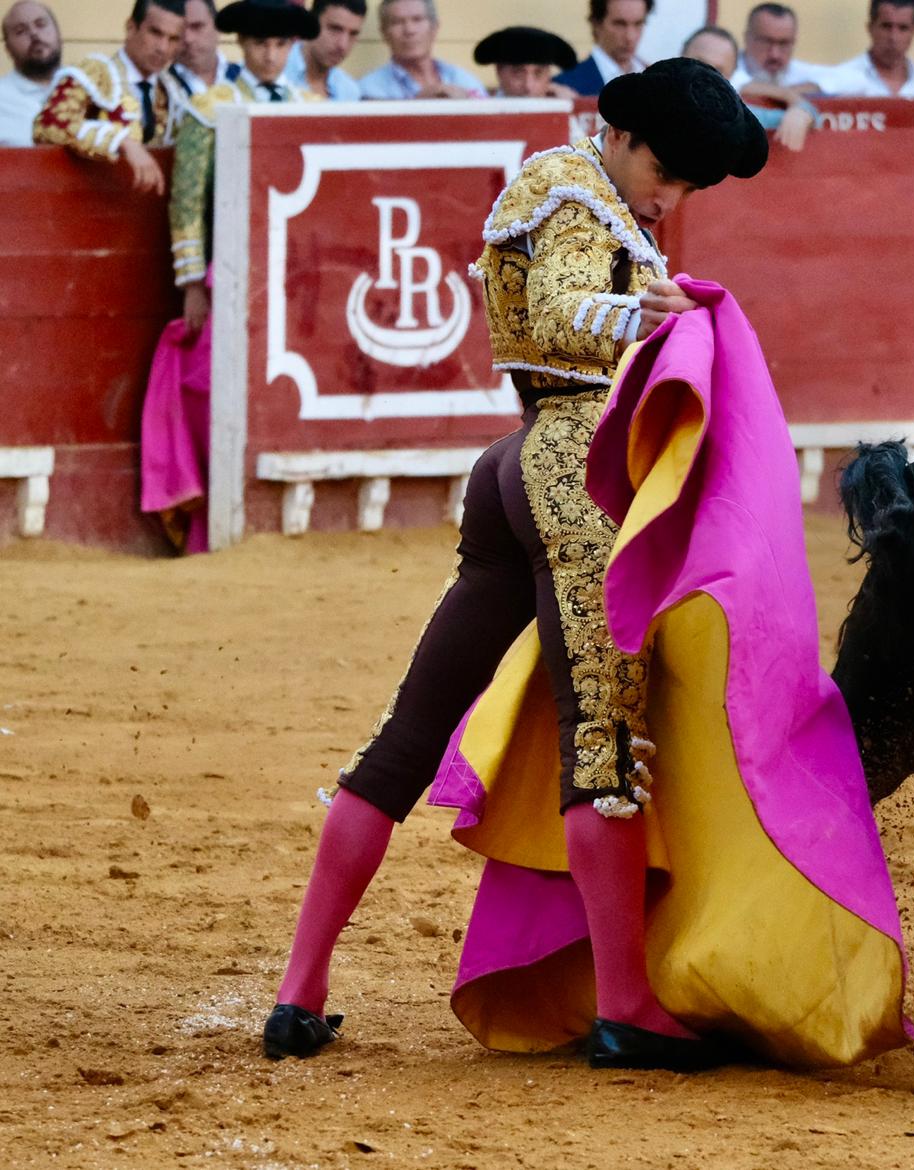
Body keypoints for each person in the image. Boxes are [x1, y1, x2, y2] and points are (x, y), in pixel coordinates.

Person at [261, 57, 779, 1071]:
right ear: (619, 134)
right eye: (666, 170)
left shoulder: (587, 195)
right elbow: (556, 312)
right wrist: (649, 316)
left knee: (408, 735)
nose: (671, 196)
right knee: (606, 745)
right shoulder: (575, 187)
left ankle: (299, 991)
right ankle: (627, 1007)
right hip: (573, 472)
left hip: (516, 467)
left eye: (689, 186)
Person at [143, 0, 318, 554]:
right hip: (230, 275)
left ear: (292, 48)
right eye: (260, 44)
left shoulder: (304, 104)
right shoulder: (209, 107)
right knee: (208, 388)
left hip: (291, 279)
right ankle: (206, 520)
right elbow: (187, 202)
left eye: (281, 45)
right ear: (241, 45)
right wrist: (193, 281)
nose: (270, 54)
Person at [33, 0, 186, 195]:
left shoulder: (171, 90)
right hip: (88, 202)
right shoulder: (95, 74)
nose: (163, 48)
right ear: (131, 27)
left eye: (173, 39)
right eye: (155, 33)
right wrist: (124, 142)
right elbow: (48, 126)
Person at [684, 24, 815, 151]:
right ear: (680, 57)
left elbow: (817, 117)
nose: (705, 75)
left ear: (729, 77)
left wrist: (801, 113)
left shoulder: (742, 118)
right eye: (698, 63)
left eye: (717, 71)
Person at [357, 0, 486, 99]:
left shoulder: (462, 78)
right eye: (397, 22)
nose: (409, 30)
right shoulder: (369, 88)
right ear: (384, 33)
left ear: (434, 28)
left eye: (417, 19)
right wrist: (419, 104)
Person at [820, 0, 914, 97]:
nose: (893, 37)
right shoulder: (839, 81)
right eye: (886, 26)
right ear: (870, 28)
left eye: (903, 28)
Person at [553, 0, 650, 96]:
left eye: (638, 24)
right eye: (620, 24)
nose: (630, 37)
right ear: (596, 24)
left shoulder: (653, 76)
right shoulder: (565, 85)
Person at [0, 0, 58, 146]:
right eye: (20, 31)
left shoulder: (90, 88)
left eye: (41, 24)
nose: (34, 33)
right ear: (7, 48)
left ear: (58, 33)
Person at [730, 3, 824, 91]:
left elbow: (835, 77)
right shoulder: (729, 68)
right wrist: (784, 94)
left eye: (784, 43)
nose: (775, 55)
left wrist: (812, 86)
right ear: (747, 38)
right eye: (766, 42)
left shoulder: (796, 70)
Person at [283, 0, 365, 101]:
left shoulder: (349, 90)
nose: (343, 45)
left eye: (353, 34)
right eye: (335, 29)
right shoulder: (274, 71)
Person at [473, 24, 578, 98]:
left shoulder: (564, 111)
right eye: (518, 73)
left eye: (538, 74)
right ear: (499, 72)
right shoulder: (479, 111)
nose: (528, 86)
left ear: (548, 76)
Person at [170, 0, 227, 96]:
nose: (188, 38)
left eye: (197, 27)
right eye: (179, 29)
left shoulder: (247, 77)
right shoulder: (157, 87)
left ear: (218, 26)